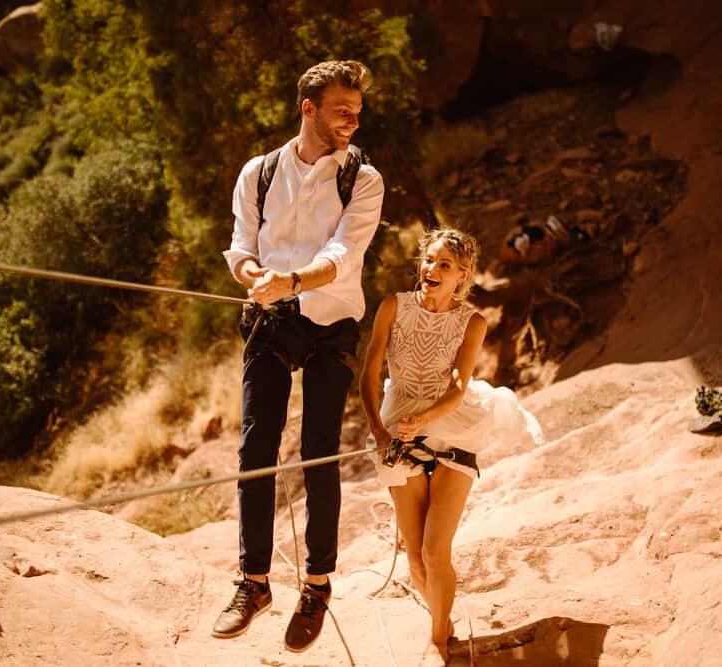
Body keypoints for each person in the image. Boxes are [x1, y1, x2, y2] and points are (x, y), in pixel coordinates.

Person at [212, 60, 384, 653]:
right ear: (307, 107)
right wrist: (254, 272)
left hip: (332, 322)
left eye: (357, 111)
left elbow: (344, 251)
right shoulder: (259, 173)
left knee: (318, 453)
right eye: (341, 108)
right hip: (269, 319)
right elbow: (239, 244)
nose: (352, 119)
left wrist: (292, 280)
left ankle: (316, 585)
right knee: (256, 449)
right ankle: (253, 583)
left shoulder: (363, 178)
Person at [360, 228, 544, 662]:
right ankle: (442, 620)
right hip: (396, 425)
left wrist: (424, 420)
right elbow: (369, 376)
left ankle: (439, 641)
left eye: (444, 265)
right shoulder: (393, 307)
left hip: (452, 425)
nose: (432, 270)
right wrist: (381, 433)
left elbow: (460, 386)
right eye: (428, 260)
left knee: (433, 550)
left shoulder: (472, 322)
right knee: (416, 560)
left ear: (462, 276)